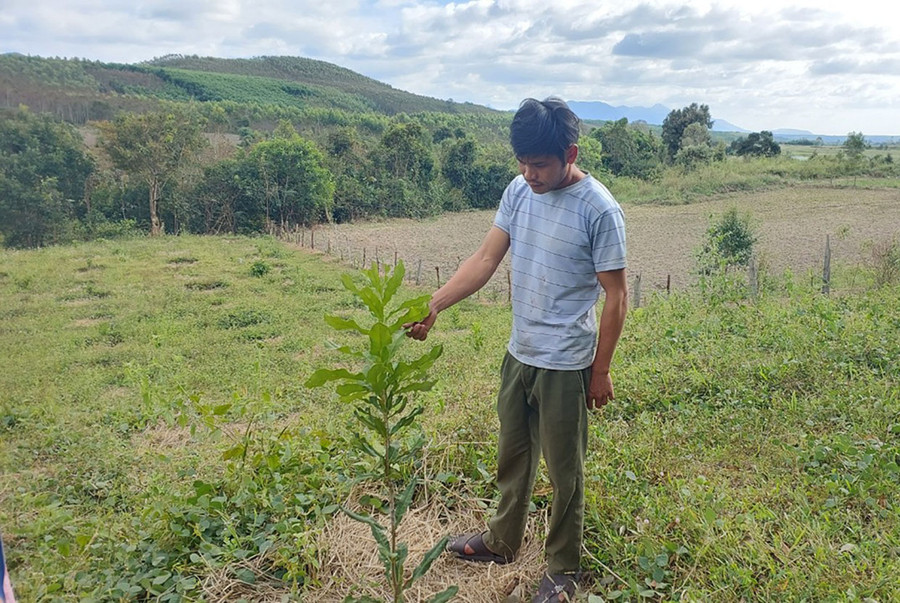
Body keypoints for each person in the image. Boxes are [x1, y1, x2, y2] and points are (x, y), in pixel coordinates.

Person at [405, 97, 628, 602]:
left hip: (566, 364)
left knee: (564, 471)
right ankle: (502, 540)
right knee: (512, 455)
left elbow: (617, 295)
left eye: (541, 164)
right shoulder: (518, 191)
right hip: (519, 352)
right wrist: (436, 304)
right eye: (522, 163)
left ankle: (563, 569)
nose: (529, 174)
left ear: (570, 152)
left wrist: (601, 370)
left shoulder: (599, 209)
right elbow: (486, 257)